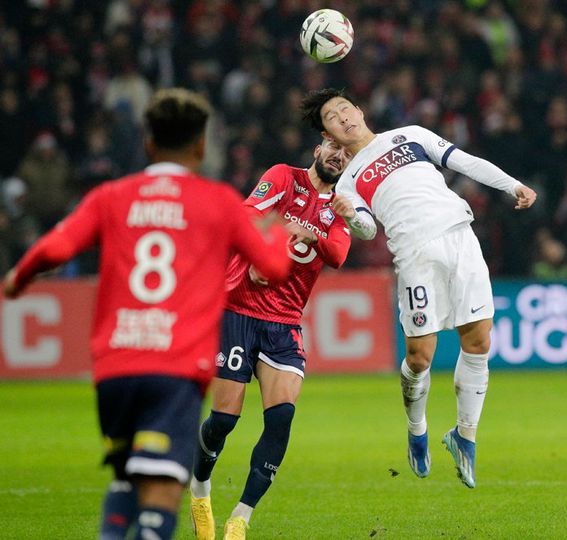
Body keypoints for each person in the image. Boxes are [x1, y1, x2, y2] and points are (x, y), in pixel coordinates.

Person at [2, 88, 292, 540]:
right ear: (200, 145)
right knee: (159, 492)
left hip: (115, 367)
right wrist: (275, 233)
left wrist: (17, 279)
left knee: (124, 478)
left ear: (148, 143)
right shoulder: (216, 202)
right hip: (173, 368)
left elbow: (55, 248)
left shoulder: (112, 196)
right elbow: (274, 266)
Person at [300, 88, 537, 488]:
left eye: (345, 108)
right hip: (414, 253)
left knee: (479, 342)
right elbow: (367, 228)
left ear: (359, 110)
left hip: (461, 237)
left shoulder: (410, 135)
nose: (342, 117)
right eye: (331, 117)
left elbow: (464, 162)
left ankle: (464, 435)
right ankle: (417, 428)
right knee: (420, 356)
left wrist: (513, 185)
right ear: (328, 136)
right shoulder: (348, 183)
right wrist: (349, 216)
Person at [188, 139, 352, 540]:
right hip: (238, 310)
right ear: (318, 147)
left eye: (348, 152)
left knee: (281, 418)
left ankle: (240, 518)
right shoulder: (283, 177)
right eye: (334, 145)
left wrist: (310, 235)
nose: (339, 154)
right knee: (223, 421)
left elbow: (339, 255)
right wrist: (277, 236)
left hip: (284, 321)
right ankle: (200, 489)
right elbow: (244, 216)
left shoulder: (343, 207)